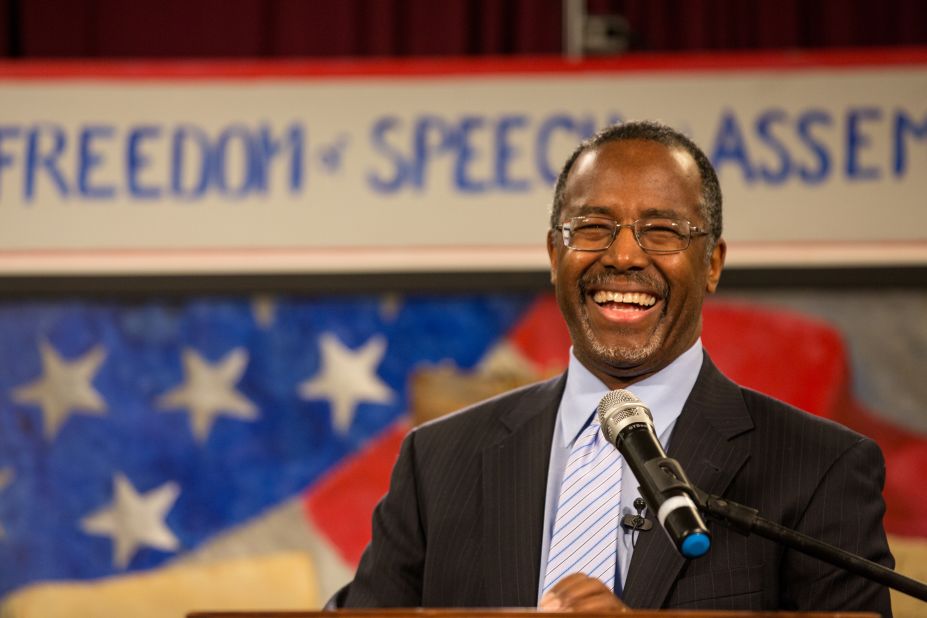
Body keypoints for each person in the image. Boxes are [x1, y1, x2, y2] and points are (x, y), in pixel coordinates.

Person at [329, 120, 894, 615]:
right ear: (555, 255)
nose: (623, 256)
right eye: (593, 227)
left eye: (663, 231)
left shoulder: (820, 468)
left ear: (713, 264)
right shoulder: (438, 462)